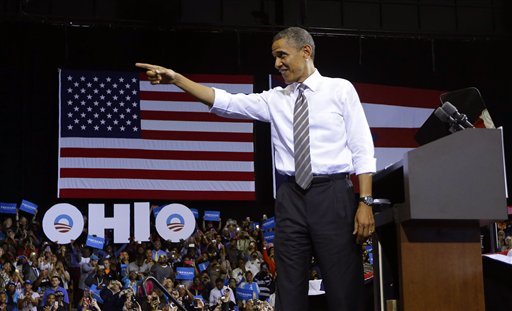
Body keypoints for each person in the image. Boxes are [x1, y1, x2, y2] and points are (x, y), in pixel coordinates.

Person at [136, 26, 376, 311]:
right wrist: (177, 79)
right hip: (290, 198)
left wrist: (365, 201)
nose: (277, 63)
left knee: (343, 288)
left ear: (306, 52)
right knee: (288, 288)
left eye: (282, 55)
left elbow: (362, 147)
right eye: (274, 57)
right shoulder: (275, 98)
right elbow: (225, 102)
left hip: (333, 194)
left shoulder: (340, 89)